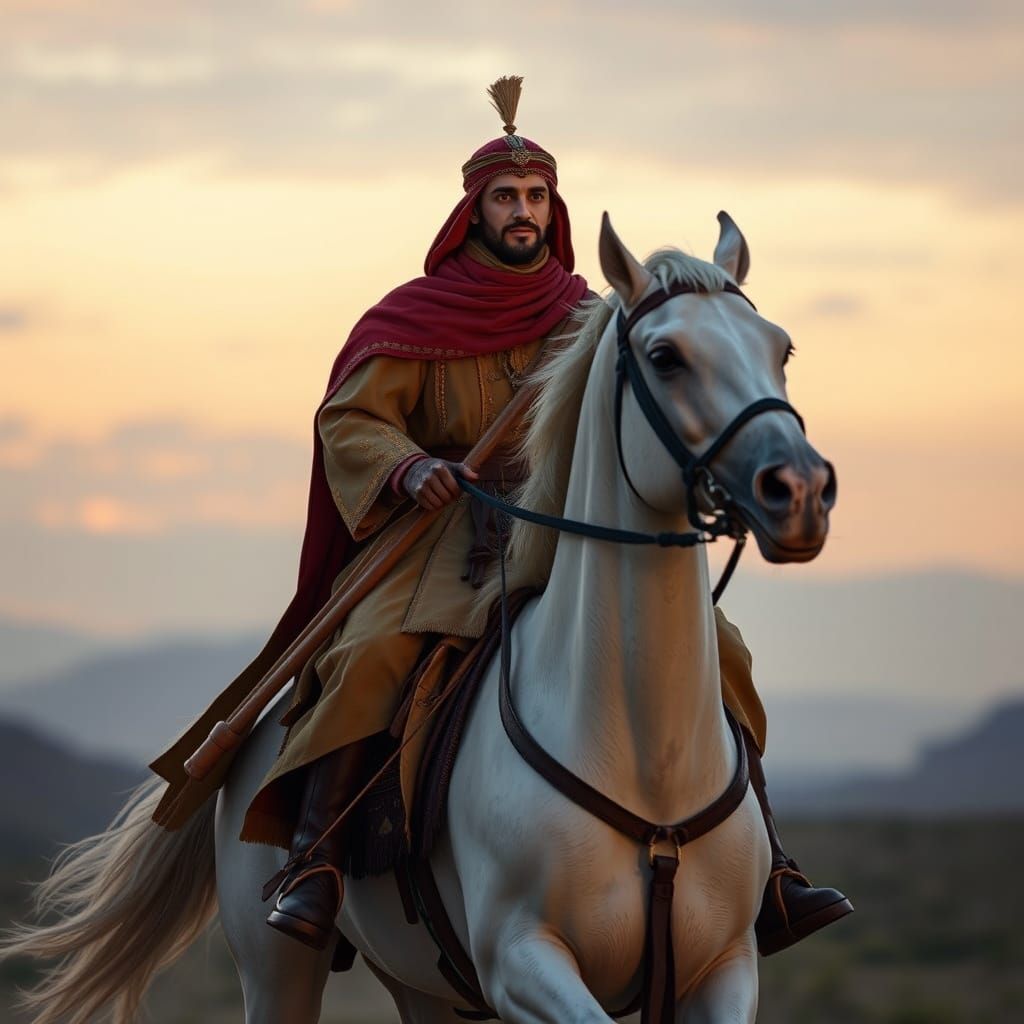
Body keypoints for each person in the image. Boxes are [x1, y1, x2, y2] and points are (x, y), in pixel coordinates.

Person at [150, 76, 851, 960]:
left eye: (535, 197)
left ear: (553, 210)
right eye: (505, 197)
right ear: (473, 211)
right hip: (445, 534)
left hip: (564, 529)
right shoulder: (413, 318)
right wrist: (410, 469)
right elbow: (350, 420)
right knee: (371, 655)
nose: (522, 210)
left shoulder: (596, 321)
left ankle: (770, 867)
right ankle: (317, 863)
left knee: (723, 649)